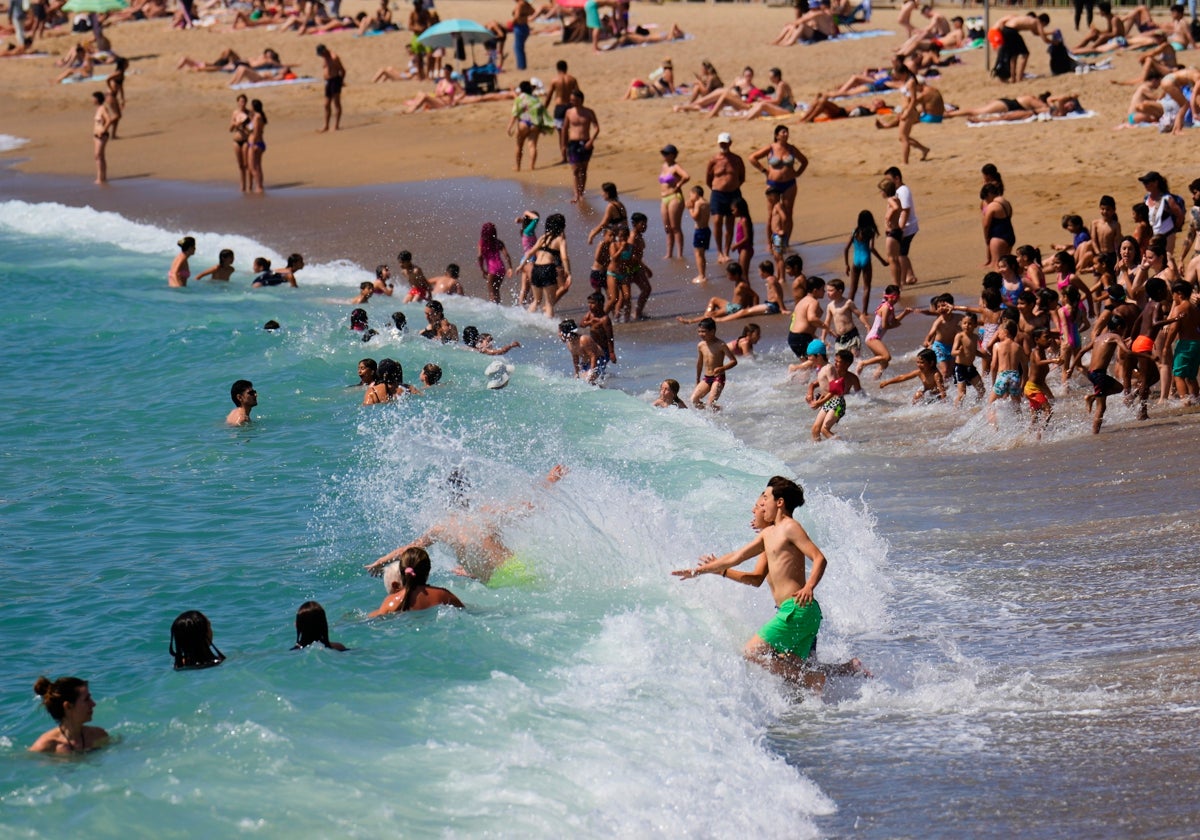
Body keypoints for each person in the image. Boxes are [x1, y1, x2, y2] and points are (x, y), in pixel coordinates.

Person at [671, 476, 866, 690]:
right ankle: (848, 669)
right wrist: (704, 570)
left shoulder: (790, 527)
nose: (762, 504)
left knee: (751, 652)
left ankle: (814, 681)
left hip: (796, 609)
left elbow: (819, 558)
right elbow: (740, 559)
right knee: (795, 667)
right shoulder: (768, 534)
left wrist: (809, 586)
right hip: (797, 611)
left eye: (765, 498)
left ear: (779, 502)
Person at [365, 465, 568, 587]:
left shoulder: (442, 527)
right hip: (517, 568)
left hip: (498, 581)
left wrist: (381, 561)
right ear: (468, 492)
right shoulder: (485, 512)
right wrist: (550, 480)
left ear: (446, 497)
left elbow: (410, 549)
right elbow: (527, 506)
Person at [748, 125, 807, 253]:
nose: (786, 134)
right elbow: (752, 158)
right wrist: (764, 170)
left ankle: (785, 241)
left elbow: (804, 161)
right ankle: (770, 243)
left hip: (789, 184)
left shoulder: (791, 149)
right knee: (771, 214)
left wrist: (797, 173)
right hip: (773, 184)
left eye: (787, 132)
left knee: (788, 213)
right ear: (776, 135)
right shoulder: (771, 148)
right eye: (783, 132)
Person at [370, 546, 465, 617]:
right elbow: (465, 610)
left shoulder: (391, 602)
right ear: (428, 572)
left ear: (403, 572)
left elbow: (378, 619)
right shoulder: (442, 595)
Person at [29, 676, 109, 754]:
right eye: (86, 699)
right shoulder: (45, 747)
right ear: (68, 706)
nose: (93, 704)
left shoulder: (99, 736)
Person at [706, 132, 746, 264]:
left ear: (730, 143)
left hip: (733, 193)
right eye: (721, 143)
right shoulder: (714, 160)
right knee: (717, 221)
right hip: (718, 193)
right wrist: (717, 187)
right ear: (719, 144)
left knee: (730, 223)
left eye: (725, 143)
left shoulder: (736, 159)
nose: (723, 145)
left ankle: (727, 251)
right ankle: (719, 252)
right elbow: (708, 178)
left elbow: (742, 177)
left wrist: (732, 186)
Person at [858, 285, 913, 378]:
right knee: (887, 357)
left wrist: (904, 313)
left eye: (897, 297)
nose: (895, 299)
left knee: (884, 363)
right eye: (893, 297)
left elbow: (894, 321)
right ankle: (863, 363)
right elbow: (885, 325)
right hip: (873, 337)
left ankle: (874, 380)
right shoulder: (886, 307)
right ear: (887, 296)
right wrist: (894, 326)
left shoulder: (890, 307)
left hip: (875, 338)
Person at [524, 212, 569, 317]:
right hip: (547, 268)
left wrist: (521, 266)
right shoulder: (560, 239)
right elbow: (564, 257)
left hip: (536, 268)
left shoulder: (543, 237)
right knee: (549, 304)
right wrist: (568, 272)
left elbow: (530, 252)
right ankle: (549, 329)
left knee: (536, 300)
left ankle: (526, 319)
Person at [810, 349, 861, 440]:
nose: (836, 364)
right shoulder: (831, 372)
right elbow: (817, 384)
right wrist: (813, 395)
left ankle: (845, 446)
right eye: (835, 361)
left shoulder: (852, 378)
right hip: (828, 402)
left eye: (838, 362)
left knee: (825, 429)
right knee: (815, 429)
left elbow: (860, 395)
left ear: (847, 364)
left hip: (839, 406)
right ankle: (818, 449)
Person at [844, 209, 888, 311]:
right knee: (866, 287)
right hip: (866, 260)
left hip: (856, 261)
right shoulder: (870, 232)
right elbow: (871, 248)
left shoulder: (854, 232)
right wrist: (882, 261)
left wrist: (846, 265)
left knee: (853, 288)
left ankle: (847, 310)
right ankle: (864, 311)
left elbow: (846, 248)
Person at [690, 317, 738, 410]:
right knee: (694, 401)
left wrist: (722, 368)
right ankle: (717, 410)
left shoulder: (721, 345)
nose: (701, 334)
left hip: (718, 378)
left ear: (712, 331)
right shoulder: (701, 345)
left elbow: (734, 361)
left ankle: (713, 411)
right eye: (699, 331)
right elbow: (699, 363)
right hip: (707, 378)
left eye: (703, 331)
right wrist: (697, 379)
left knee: (710, 403)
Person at [564, 89, 600, 204]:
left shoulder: (589, 112)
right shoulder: (569, 112)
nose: (572, 101)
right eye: (571, 100)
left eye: (574, 100)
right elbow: (564, 129)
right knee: (575, 170)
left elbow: (596, 128)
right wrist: (563, 144)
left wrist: (591, 140)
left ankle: (582, 192)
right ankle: (576, 194)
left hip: (585, 142)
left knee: (583, 169)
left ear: (581, 100)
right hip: (573, 143)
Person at [886, 166, 919, 286]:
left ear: (897, 178)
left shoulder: (903, 191)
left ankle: (903, 279)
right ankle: (910, 276)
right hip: (906, 227)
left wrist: (900, 228)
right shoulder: (899, 191)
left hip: (907, 227)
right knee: (902, 253)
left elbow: (905, 210)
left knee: (901, 255)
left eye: (890, 180)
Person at [880, 347, 946, 402]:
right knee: (918, 395)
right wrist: (887, 382)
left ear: (931, 363)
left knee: (919, 395)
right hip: (927, 394)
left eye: (922, 363)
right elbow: (902, 377)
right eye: (918, 362)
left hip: (937, 397)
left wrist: (944, 403)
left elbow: (942, 392)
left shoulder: (935, 375)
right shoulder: (919, 372)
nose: (919, 365)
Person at [657, 145, 689, 259]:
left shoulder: (676, 167)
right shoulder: (664, 166)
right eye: (663, 153)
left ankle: (680, 254)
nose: (664, 156)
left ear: (673, 155)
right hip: (664, 198)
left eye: (666, 153)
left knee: (675, 227)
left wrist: (678, 185)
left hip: (674, 197)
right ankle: (669, 253)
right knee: (667, 227)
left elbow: (686, 176)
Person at [544, 60, 578, 164]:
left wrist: (544, 109)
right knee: (571, 132)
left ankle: (564, 157)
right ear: (566, 68)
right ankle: (572, 156)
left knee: (561, 133)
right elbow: (577, 94)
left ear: (557, 68)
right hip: (570, 106)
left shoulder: (554, 80)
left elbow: (549, 96)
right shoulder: (572, 79)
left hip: (559, 107)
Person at [507, 80, 546, 171]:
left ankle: (518, 166)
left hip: (523, 123)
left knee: (519, 145)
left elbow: (515, 114)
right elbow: (540, 113)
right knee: (532, 145)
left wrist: (509, 127)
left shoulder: (519, 99)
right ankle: (532, 166)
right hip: (534, 123)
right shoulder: (536, 99)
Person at [559, 317, 605, 383]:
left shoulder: (583, 340)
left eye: (560, 332)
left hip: (598, 360)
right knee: (578, 380)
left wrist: (592, 371)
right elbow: (575, 359)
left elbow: (593, 356)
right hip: (585, 363)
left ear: (566, 332)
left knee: (587, 379)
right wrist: (577, 373)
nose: (559, 334)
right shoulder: (569, 344)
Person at [981, 182, 1016, 268]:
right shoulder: (1006, 202)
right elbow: (1009, 216)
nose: (986, 201)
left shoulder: (992, 205)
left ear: (989, 194)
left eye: (986, 198)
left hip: (998, 237)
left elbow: (986, 225)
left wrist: (987, 239)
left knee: (997, 265)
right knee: (1008, 264)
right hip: (1010, 234)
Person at [477, 223, 513, 303]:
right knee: (497, 290)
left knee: (491, 293)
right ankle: (498, 306)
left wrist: (482, 269)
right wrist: (510, 267)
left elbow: (479, 256)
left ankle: (494, 311)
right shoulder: (499, 242)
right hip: (501, 268)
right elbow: (506, 255)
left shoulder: (482, 243)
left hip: (492, 269)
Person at [315, 44, 344, 131]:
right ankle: (326, 125)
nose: (321, 56)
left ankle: (336, 125)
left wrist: (341, 82)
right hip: (328, 81)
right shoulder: (324, 57)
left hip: (335, 80)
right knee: (326, 104)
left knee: (336, 103)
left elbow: (342, 70)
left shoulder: (334, 58)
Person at [687, 186, 712, 285]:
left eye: (690, 195)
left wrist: (690, 208)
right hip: (706, 229)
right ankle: (702, 274)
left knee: (698, 254)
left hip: (700, 231)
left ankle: (701, 275)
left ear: (696, 194)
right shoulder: (706, 202)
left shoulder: (698, 203)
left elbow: (695, 216)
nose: (690, 198)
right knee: (702, 254)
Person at [245, 99, 267, 194]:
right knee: (258, 166)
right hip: (256, 142)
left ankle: (259, 186)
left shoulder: (258, 117)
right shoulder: (255, 116)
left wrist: (253, 144)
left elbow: (256, 131)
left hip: (255, 143)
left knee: (252, 166)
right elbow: (250, 128)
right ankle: (260, 185)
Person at [91, 91, 113, 185]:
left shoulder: (103, 108)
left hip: (101, 135)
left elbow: (109, 119)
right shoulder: (98, 108)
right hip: (96, 135)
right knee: (99, 156)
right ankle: (102, 177)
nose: (92, 100)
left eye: (93, 98)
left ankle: (100, 178)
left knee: (98, 155)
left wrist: (103, 130)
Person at [512, 0, 534, 71]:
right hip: (525, 26)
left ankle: (521, 66)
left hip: (519, 26)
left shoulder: (519, 4)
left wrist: (510, 24)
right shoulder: (526, 4)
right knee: (520, 47)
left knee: (518, 47)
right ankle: (522, 65)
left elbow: (517, 17)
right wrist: (525, 14)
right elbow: (533, 11)